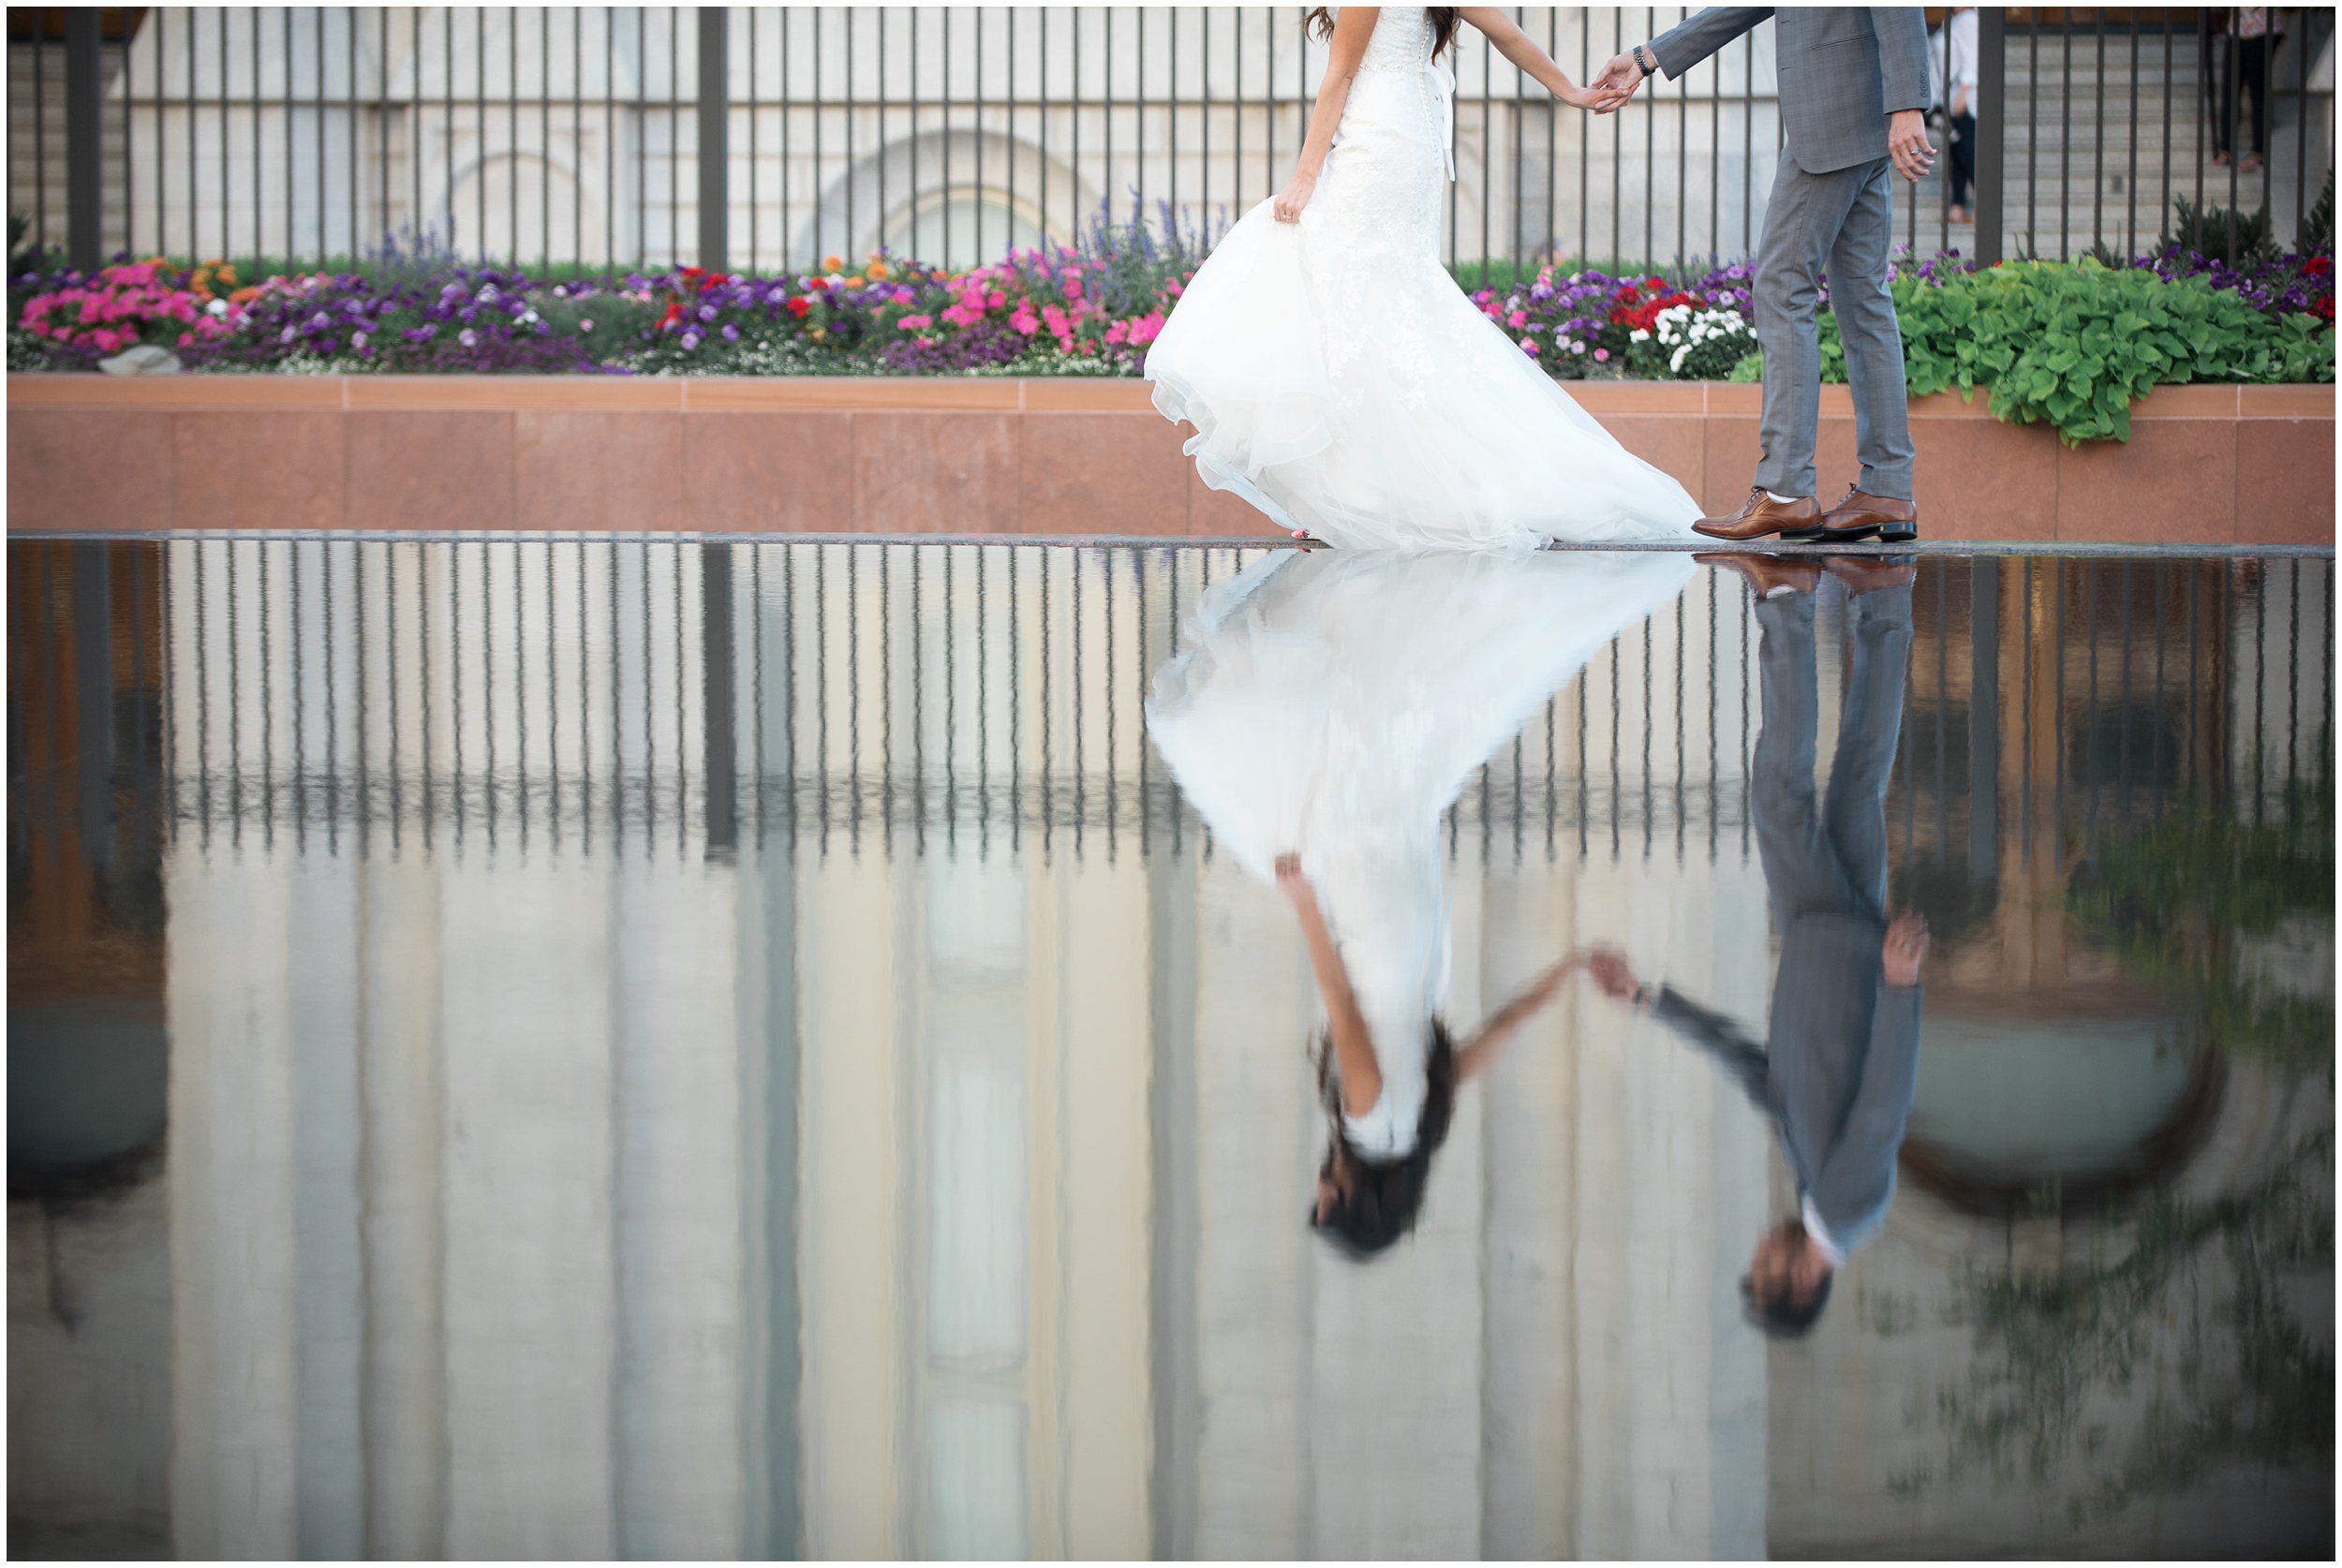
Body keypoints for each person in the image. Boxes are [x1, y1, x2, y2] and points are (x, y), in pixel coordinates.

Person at [1144, 547, 1696, 1255]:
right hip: (1379, 947)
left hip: (1420, 946)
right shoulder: (1369, 1118)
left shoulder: (1421, 1126)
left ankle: (1386, 620)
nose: (1317, 1192)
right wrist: (1303, 902)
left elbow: (1490, 1041)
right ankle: (1357, 617)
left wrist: (1567, 973)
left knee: (1383, 791)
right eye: (1325, 1204)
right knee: (1342, 801)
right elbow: (1341, 1005)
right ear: (1353, 1198)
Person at [1142, 7, 1701, 554]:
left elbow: (1340, 73)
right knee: (1376, 305)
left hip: (1379, 141)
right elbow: (1505, 31)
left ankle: (1364, 499)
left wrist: (1304, 176)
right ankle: (1362, 499)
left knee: (1324, 275)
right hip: (1407, 133)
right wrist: (1570, 90)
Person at [1580, 551, 1928, 1335]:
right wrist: (1903, 989)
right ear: (1797, 1287)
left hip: (1831, 935)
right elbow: (1883, 1109)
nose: (1759, 1251)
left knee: (1860, 775)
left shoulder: (1816, 1196)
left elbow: (1753, 1071)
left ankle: (1886, 600)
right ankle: (1785, 597)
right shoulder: (1847, 1208)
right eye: (1764, 1269)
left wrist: (1648, 999)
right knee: (1780, 790)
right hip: (1841, 945)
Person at [1593, 10, 1934, 545]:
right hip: (1856, 109)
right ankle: (1887, 488)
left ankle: (1785, 490)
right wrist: (1647, 57)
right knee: (1864, 298)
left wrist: (1909, 104)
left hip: (1836, 113)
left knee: (1781, 288)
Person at [2209, 8, 2286, 171]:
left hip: (2264, 27)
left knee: (2258, 91)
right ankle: (2226, 149)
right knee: (2230, 89)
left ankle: (2258, 152)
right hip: (2238, 27)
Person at [1940, 8, 1979, 225]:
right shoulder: (1955, 19)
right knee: (1956, 153)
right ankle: (1957, 206)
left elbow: (1972, 59)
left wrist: (1962, 94)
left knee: (1966, 152)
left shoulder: (1968, 19)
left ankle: (1985, 205)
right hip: (1952, 95)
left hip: (1964, 98)